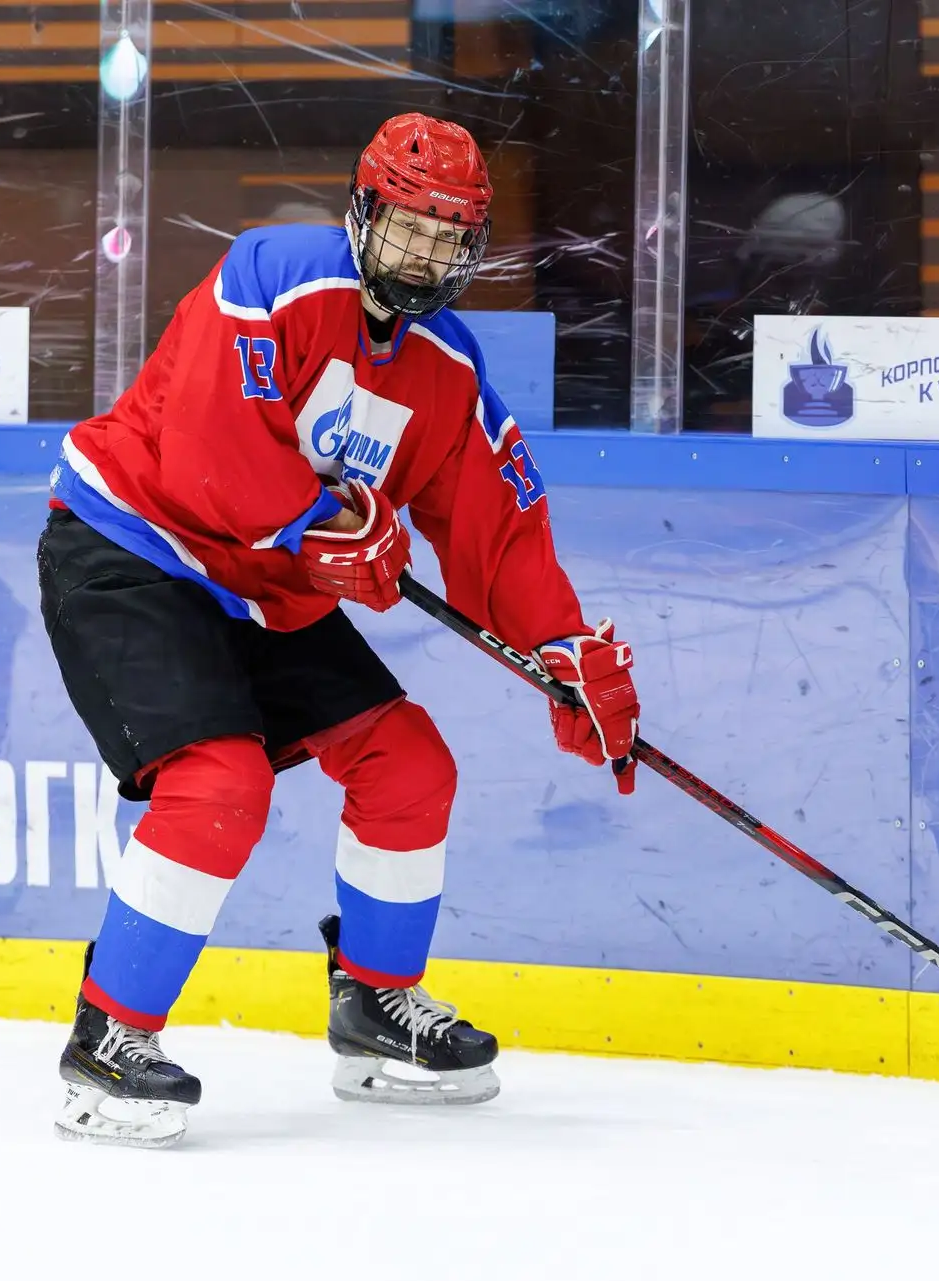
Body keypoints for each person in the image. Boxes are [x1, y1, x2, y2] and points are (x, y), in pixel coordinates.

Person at [37, 112, 641, 1148]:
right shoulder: (274, 274)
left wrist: (565, 651)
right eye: (410, 227)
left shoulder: (449, 366)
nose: (427, 255)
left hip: (265, 586)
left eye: (450, 238)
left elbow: (497, 527)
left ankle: (375, 1004)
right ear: (362, 212)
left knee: (410, 763)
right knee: (219, 783)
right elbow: (208, 452)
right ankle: (110, 1037)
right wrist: (317, 523)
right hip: (133, 547)